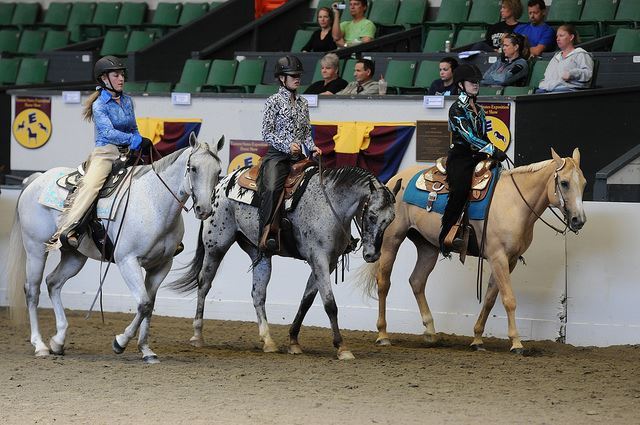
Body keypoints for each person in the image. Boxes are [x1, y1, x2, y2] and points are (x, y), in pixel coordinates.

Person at [48, 55, 152, 250]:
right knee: (91, 186)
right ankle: (70, 229)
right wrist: (133, 139)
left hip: (128, 153)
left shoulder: (127, 101)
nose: (121, 78)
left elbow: (133, 127)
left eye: (122, 74)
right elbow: (108, 133)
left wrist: (139, 139)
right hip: (106, 153)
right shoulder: (99, 105)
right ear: (104, 79)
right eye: (116, 75)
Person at [439, 64, 507, 255]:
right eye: (472, 82)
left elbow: (483, 136)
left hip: (478, 155)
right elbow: (469, 136)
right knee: (460, 189)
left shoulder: (480, 109)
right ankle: (447, 237)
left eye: (477, 82)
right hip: (460, 156)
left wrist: (494, 152)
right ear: (461, 85)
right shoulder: (456, 109)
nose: (476, 85)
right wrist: (492, 149)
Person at [259, 55, 322, 253]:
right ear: (281, 79)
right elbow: (266, 133)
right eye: (292, 75)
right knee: (271, 188)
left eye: (298, 75)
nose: (297, 78)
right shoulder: (273, 102)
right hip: (277, 156)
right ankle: (266, 232)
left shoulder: (303, 102)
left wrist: (312, 147)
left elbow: (305, 131)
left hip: (298, 157)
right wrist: (287, 146)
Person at [537, 24, 594, 93]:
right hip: (550, 90)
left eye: (561, 36)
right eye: (557, 36)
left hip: (569, 92)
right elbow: (547, 77)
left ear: (571, 37)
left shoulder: (581, 54)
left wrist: (572, 74)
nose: (557, 39)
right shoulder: (556, 57)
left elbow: (588, 74)